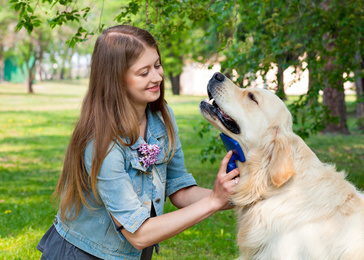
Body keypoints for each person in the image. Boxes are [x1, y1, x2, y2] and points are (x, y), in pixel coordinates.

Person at [37, 25, 240, 260]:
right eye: (144, 72)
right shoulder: (101, 143)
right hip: (84, 254)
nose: (157, 77)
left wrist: (240, 197)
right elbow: (138, 234)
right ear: (116, 80)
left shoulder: (162, 117)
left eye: (157, 65)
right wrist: (214, 201)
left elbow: (180, 190)